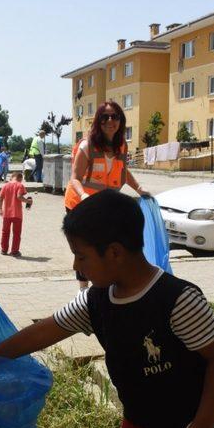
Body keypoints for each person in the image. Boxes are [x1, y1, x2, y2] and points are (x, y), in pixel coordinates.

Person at [0, 190, 214, 428]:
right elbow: (41, 333)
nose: (76, 267)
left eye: (81, 256)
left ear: (115, 252)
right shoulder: (96, 301)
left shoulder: (177, 301)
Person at [64, 101, 149, 289]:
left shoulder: (121, 146)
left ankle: (103, 283)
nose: (110, 121)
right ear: (98, 121)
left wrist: (139, 189)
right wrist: (84, 197)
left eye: (115, 116)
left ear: (120, 120)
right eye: (105, 117)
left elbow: (123, 172)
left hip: (103, 205)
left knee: (104, 244)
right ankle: (83, 290)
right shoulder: (88, 146)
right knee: (85, 247)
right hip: (80, 203)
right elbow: (75, 178)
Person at [0, 172, 32, 257]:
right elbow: (19, 196)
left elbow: (0, 199)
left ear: (12, 177)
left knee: (5, 232)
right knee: (16, 233)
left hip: (6, 214)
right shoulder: (20, 185)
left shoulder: (5, 186)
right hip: (17, 214)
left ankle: (4, 250)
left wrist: (0, 209)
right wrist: (28, 201)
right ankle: (14, 251)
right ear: (20, 178)